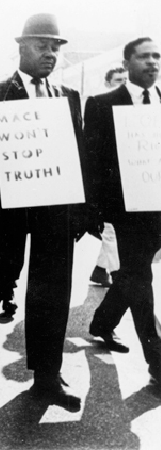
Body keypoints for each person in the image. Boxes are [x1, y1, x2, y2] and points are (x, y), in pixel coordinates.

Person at [0, 14, 92, 411]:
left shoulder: (67, 96)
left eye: (56, 47)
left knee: (53, 287)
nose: (51, 54)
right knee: (1, 270)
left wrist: (82, 211)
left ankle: (46, 375)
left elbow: (79, 155)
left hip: (55, 206)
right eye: (42, 45)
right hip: (7, 207)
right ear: (21, 47)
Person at [84, 38, 161, 378]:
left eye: (157, 56)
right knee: (140, 277)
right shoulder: (102, 104)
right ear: (127, 62)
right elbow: (92, 160)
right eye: (144, 56)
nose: (153, 62)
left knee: (132, 276)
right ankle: (157, 360)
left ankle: (102, 322)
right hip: (127, 213)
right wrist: (94, 210)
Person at [89, 67, 127, 288]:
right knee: (111, 231)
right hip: (108, 185)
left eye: (125, 81)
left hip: (129, 185)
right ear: (107, 83)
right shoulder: (100, 107)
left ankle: (100, 270)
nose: (122, 85)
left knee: (114, 232)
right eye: (117, 81)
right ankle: (118, 276)